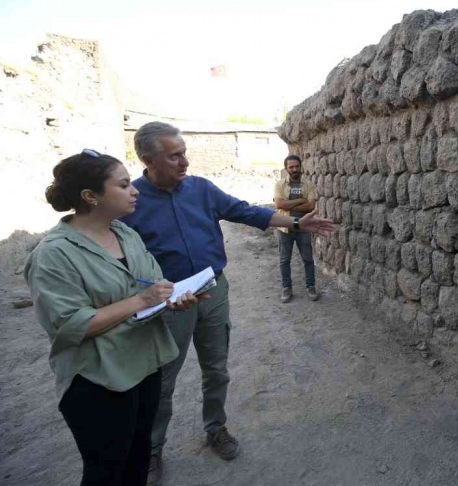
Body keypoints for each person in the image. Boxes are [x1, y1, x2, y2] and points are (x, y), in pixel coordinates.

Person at [121, 122, 333, 485]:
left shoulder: (201, 189)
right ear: (147, 159)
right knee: (162, 379)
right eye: (174, 156)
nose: (184, 161)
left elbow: (245, 211)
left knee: (216, 369)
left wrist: (296, 222)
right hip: (167, 302)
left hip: (213, 292)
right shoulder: (131, 202)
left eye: (184, 152)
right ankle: (152, 448)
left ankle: (215, 428)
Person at [25, 150, 198, 486]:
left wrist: (172, 299)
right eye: (122, 185)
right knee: (106, 471)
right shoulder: (53, 255)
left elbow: (152, 283)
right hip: (99, 380)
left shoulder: (124, 234)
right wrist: (140, 300)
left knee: (136, 461)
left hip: (145, 366)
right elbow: (71, 324)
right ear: (90, 196)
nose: (134, 190)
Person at [273, 154, 319, 303]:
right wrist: (301, 200)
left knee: (308, 259)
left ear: (300, 166)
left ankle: (311, 286)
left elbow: (311, 206)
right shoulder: (280, 185)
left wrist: (289, 203)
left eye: (296, 166)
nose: (294, 169)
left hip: (303, 227)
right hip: (285, 227)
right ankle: (287, 289)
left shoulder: (308, 184)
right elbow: (279, 205)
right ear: (286, 168)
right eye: (291, 167)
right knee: (284, 260)